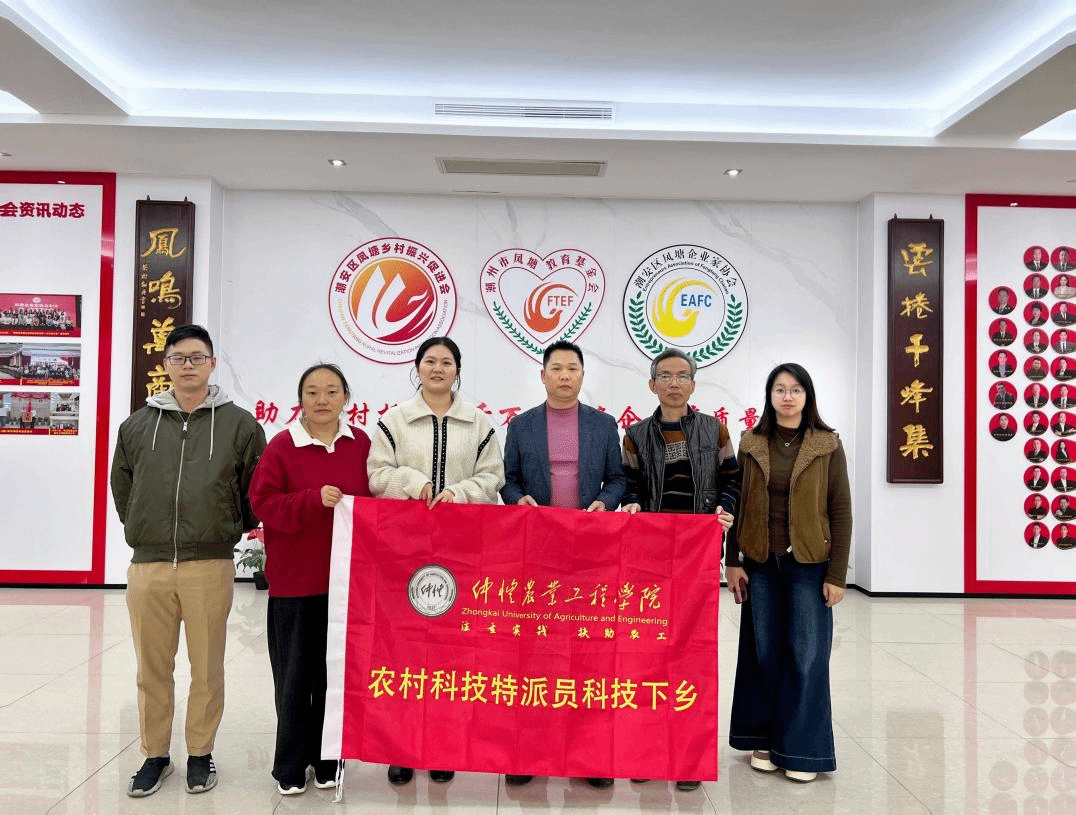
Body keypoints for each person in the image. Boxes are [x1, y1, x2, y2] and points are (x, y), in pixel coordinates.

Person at [110, 324, 266, 797]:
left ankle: (200, 753)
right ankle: (155, 755)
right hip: (149, 566)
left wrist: (225, 525)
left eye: (197, 357)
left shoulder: (240, 425)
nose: (188, 365)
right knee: (152, 669)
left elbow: (254, 490)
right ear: (166, 365)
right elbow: (123, 487)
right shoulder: (137, 425)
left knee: (207, 668)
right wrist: (146, 528)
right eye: (178, 358)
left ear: (213, 363)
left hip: (209, 564)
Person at [367, 336, 505, 788]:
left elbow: (493, 478)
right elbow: (376, 475)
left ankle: (443, 745)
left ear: (458, 371)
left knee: (452, 651)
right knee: (404, 651)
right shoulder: (394, 421)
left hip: (462, 550)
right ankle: (401, 748)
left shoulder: (478, 423)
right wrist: (412, 482)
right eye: (430, 361)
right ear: (417, 367)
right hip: (403, 553)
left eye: (447, 362)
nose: (438, 368)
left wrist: (458, 493)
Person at [501, 339, 626, 789]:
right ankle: (529, 751)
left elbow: (617, 479)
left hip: (590, 553)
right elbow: (508, 481)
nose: (565, 375)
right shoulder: (521, 426)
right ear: (543, 375)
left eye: (573, 368)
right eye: (556, 368)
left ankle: (589, 754)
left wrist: (603, 502)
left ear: (582, 375)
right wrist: (519, 500)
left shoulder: (603, 425)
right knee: (536, 654)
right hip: (539, 552)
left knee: (589, 654)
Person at [619, 348, 741, 792]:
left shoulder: (714, 429)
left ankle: (689, 757)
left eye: (682, 376)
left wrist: (724, 509)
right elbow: (629, 484)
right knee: (648, 655)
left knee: (692, 654)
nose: (674, 383)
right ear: (652, 384)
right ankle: (647, 751)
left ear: (693, 384)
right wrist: (631, 503)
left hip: (697, 554)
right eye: (665, 376)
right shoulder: (634, 435)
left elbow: (732, 479)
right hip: (648, 558)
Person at [726, 363, 852, 783]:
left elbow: (840, 509)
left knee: (806, 655)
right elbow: (738, 504)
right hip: (761, 563)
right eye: (780, 389)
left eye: (796, 389)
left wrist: (837, 574)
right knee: (764, 653)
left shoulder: (826, 444)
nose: (787, 397)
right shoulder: (752, 442)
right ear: (769, 395)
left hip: (809, 565)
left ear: (807, 396)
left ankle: (801, 749)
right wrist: (732, 560)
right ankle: (764, 738)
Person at [249, 364, 371, 795]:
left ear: (346, 398)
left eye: (332, 391)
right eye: (313, 391)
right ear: (300, 399)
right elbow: (263, 503)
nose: (322, 400)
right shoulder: (283, 445)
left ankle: (328, 761)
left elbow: (377, 500)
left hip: (347, 585)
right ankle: (289, 763)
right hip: (296, 583)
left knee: (334, 678)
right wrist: (310, 500)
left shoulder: (361, 444)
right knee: (295, 679)